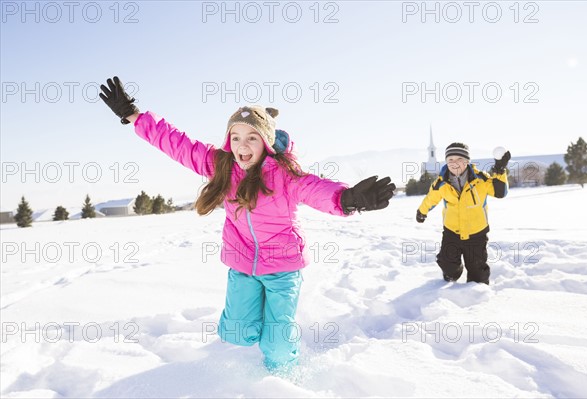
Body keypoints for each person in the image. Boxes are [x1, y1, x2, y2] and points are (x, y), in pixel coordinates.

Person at [99, 76, 396, 371]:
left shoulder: (284, 174)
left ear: (266, 142)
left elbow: (315, 188)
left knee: (277, 346)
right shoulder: (221, 167)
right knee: (237, 333)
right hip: (243, 266)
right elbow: (177, 143)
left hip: (283, 268)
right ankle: (264, 326)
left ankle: (282, 375)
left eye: (252, 137)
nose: (243, 145)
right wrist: (132, 115)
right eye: (236, 137)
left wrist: (345, 199)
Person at [416, 142, 510, 285]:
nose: (454, 163)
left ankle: (478, 295)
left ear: (467, 161)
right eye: (450, 160)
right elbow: (431, 199)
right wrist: (422, 211)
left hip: (477, 233)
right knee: (448, 266)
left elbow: (500, 192)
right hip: (452, 232)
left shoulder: (480, 179)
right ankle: (454, 272)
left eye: (459, 159)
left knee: (477, 273)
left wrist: (500, 169)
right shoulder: (441, 183)